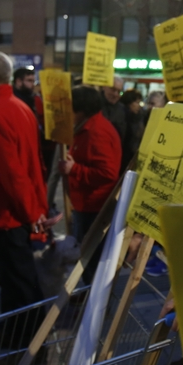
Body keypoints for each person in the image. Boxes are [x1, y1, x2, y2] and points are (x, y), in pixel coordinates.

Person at [0, 51, 51, 365]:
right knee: (12, 281)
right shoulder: (18, 107)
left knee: (22, 286)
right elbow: (32, 165)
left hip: (11, 214)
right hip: (14, 211)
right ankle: (11, 332)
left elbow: (13, 173)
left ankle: (31, 348)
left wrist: (32, 215)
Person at [60, 86, 121, 281]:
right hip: (86, 203)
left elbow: (107, 173)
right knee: (87, 258)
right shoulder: (86, 128)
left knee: (90, 260)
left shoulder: (97, 132)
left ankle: (90, 304)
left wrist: (74, 169)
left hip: (94, 207)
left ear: (81, 110)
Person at [100, 75, 128, 145]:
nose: (116, 94)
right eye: (113, 89)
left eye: (119, 92)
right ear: (104, 87)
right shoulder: (94, 104)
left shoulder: (122, 109)